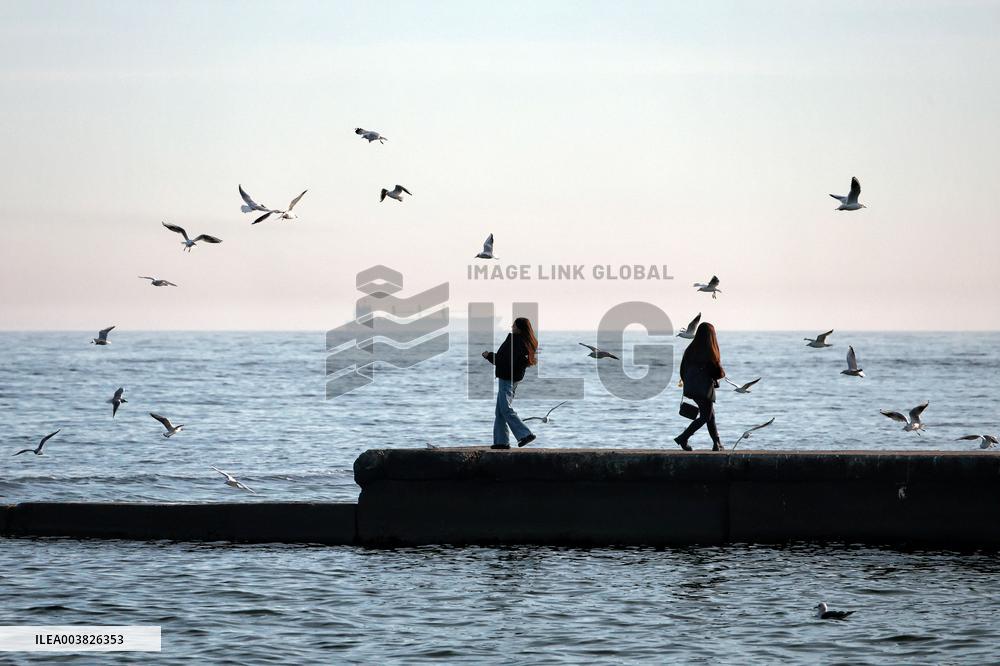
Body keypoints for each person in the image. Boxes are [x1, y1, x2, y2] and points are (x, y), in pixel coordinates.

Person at [482, 317, 538, 449]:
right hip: (514, 379)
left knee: (505, 409)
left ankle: (525, 434)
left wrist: (488, 355)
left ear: (518, 327)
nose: (511, 327)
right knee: (500, 411)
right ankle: (501, 442)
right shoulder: (527, 342)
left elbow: (503, 360)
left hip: (507, 378)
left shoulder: (514, 341)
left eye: (514, 325)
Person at [675, 322, 726, 451]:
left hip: (691, 388)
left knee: (710, 414)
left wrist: (688, 382)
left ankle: (717, 443)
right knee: (705, 416)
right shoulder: (710, 351)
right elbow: (717, 373)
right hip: (704, 389)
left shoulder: (690, 349)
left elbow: (682, 370)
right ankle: (683, 438)